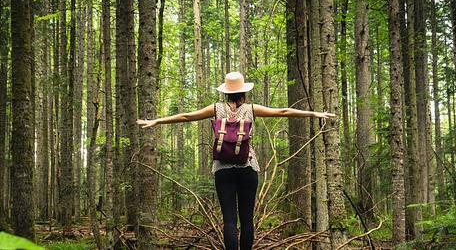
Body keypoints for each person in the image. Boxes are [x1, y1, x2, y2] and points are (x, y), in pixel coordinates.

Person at [137, 71, 335, 250]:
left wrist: (156, 121)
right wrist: (315, 113)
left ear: (226, 92)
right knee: (247, 220)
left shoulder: (216, 108)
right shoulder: (251, 108)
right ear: (243, 91)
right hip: (248, 167)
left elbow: (187, 116)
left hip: (223, 169)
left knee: (229, 220)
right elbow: (283, 111)